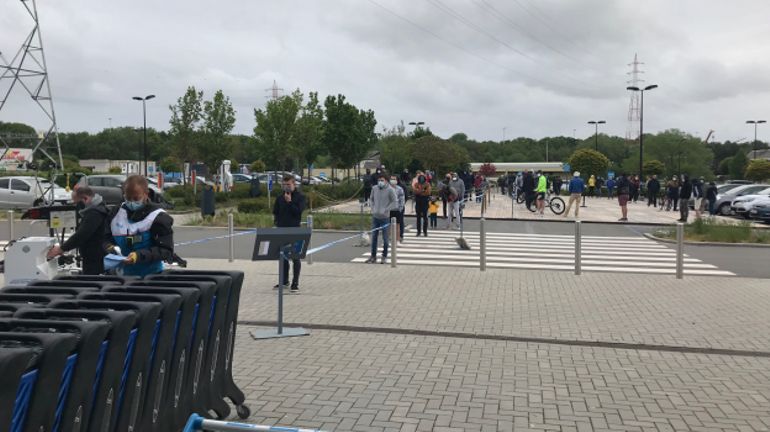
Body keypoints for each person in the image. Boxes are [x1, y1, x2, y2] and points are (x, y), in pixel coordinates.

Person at [104, 175, 174, 277]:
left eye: (136, 198)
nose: (131, 202)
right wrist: (109, 247)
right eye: (127, 198)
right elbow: (105, 238)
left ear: (146, 194)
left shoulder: (158, 217)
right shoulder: (115, 213)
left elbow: (165, 250)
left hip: (150, 275)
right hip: (121, 275)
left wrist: (139, 256)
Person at [47, 186, 109, 274]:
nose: (77, 206)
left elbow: (82, 235)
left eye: (77, 203)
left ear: (85, 198)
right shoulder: (97, 209)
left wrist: (61, 249)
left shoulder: (94, 213)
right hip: (92, 256)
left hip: (95, 258)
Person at [271, 174, 306, 292]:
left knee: (295, 257)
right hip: (281, 229)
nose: (286, 187)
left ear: (294, 184)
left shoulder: (300, 197)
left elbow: (298, 212)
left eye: (288, 185)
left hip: (295, 229)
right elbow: (275, 212)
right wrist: (276, 223)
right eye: (284, 185)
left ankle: (295, 282)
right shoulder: (280, 198)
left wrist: (290, 202)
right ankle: (284, 280)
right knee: (282, 257)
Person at [366, 173, 397, 264]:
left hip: (385, 218)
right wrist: (373, 207)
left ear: (386, 181)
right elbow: (371, 199)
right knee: (374, 237)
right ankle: (373, 256)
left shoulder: (390, 190)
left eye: (382, 180)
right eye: (379, 180)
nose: (380, 182)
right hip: (375, 216)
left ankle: (384, 256)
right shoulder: (374, 188)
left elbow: (395, 202)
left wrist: (386, 209)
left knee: (385, 239)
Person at [389, 175, 405, 243]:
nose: (393, 180)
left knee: (398, 225)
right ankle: (390, 239)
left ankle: (398, 239)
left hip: (397, 209)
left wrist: (400, 208)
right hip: (389, 210)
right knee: (389, 225)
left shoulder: (399, 189)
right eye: (392, 179)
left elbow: (402, 199)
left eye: (394, 179)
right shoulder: (387, 188)